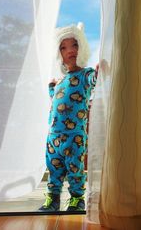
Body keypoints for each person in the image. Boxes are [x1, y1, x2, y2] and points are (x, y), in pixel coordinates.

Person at [39, 22, 98, 211]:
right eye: (63, 48)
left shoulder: (85, 74)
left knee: (75, 170)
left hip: (74, 137)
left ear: (82, 48)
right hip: (54, 138)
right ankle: (53, 199)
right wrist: (51, 87)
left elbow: (93, 81)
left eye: (74, 45)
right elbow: (56, 103)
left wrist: (97, 73)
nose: (70, 50)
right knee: (54, 169)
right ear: (59, 55)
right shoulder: (61, 81)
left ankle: (76, 199)